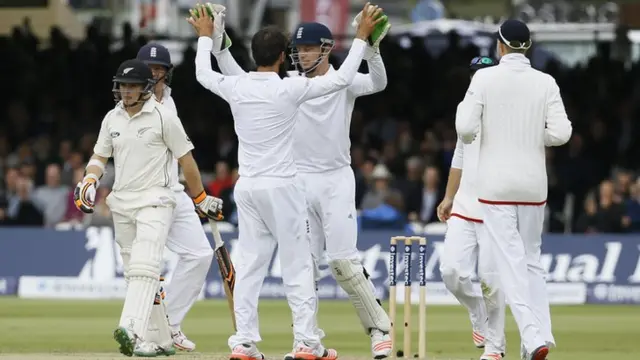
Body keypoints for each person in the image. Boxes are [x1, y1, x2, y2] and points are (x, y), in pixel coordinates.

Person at [187, 3, 383, 360]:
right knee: (298, 266)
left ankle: (244, 342)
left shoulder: (238, 87)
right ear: (282, 57)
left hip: (246, 188)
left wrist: (207, 38)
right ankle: (307, 342)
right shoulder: (288, 89)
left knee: (249, 265)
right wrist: (360, 39)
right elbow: (338, 79)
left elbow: (204, 73)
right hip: (283, 187)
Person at [74, 58, 223, 357]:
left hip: (157, 199)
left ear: (145, 88)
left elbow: (187, 161)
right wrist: (90, 178)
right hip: (122, 202)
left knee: (145, 266)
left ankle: (130, 328)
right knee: (136, 273)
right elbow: (99, 157)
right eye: (122, 86)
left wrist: (200, 198)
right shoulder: (111, 118)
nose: (126, 92)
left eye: (132, 86)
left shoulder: (164, 117)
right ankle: (160, 339)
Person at [456, 20, 572, 360]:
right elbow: (562, 133)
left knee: (510, 263)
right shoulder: (546, 81)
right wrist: (535, 136)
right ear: (528, 47)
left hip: (497, 186)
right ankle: (542, 334)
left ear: (500, 46)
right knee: (531, 261)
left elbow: (464, 129)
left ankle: (533, 335)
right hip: (534, 186)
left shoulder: (484, 77)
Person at [136, 42, 214, 353]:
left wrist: (198, 196)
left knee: (199, 255)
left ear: (168, 73)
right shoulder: (130, 106)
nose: (155, 74)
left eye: (160, 69)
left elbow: (182, 153)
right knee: (147, 267)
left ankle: (169, 324)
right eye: (150, 68)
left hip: (174, 191)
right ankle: (142, 331)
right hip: (145, 196)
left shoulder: (170, 101)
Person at [437, 56, 506, 360]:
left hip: (496, 206)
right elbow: (459, 157)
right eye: (474, 74)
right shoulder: (464, 109)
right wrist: (449, 196)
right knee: (451, 271)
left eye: (483, 74)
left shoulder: (508, 109)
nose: (477, 79)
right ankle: (476, 311)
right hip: (465, 203)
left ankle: (495, 346)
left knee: (491, 279)